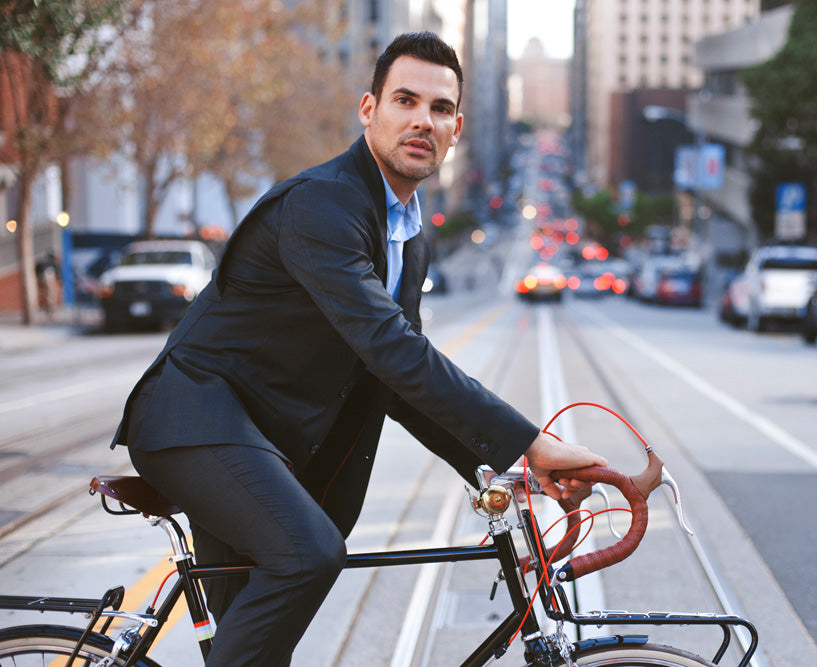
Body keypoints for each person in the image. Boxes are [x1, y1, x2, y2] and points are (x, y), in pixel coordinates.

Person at [110, 31, 606, 667]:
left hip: (259, 445)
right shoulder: (325, 204)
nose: (422, 120)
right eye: (405, 100)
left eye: (441, 108)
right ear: (369, 110)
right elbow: (391, 350)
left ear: (457, 129)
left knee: (252, 649)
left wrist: (496, 468)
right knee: (308, 554)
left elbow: (394, 383)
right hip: (194, 421)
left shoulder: (408, 235)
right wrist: (531, 442)